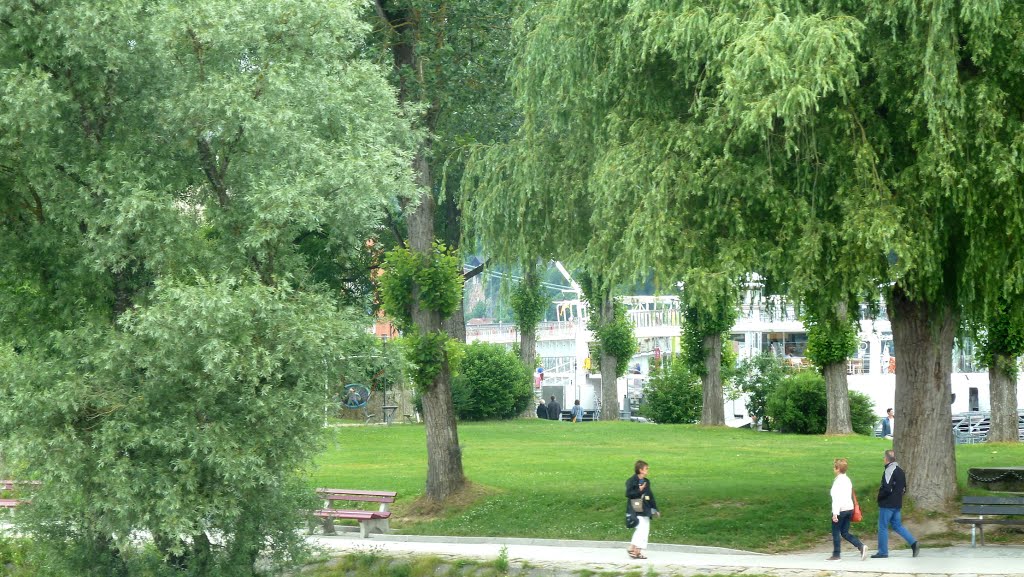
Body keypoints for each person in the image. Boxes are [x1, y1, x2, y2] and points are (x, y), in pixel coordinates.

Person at [872, 449, 920, 558]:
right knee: (897, 525)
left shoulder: (889, 470)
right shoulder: (901, 471)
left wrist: (879, 497)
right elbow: (904, 489)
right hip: (897, 503)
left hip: (887, 504)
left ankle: (883, 552)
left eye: (884, 458)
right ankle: (913, 543)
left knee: (883, 526)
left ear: (886, 459)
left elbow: (887, 488)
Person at [828, 458, 868, 561]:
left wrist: (835, 514)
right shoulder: (847, 479)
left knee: (836, 532)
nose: (833, 469)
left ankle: (836, 554)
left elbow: (836, 498)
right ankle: (860, 546)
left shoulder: (837, 482)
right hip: (849, 508)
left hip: (840, 510)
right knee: (845, 532)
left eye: (834, 467)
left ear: (837, 469)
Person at [625, 460, 659, 559]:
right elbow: (628, 494)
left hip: (646, 505)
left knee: (645, 528)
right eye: (646, 469)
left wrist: (655, 508)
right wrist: (639, 490)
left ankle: (637, 551)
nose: (647, 470)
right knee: (641, 527)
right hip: (635, 503)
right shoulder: (631, 481)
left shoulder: (646, 481)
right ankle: (633, 548)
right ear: (640, 470)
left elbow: (650, 495)